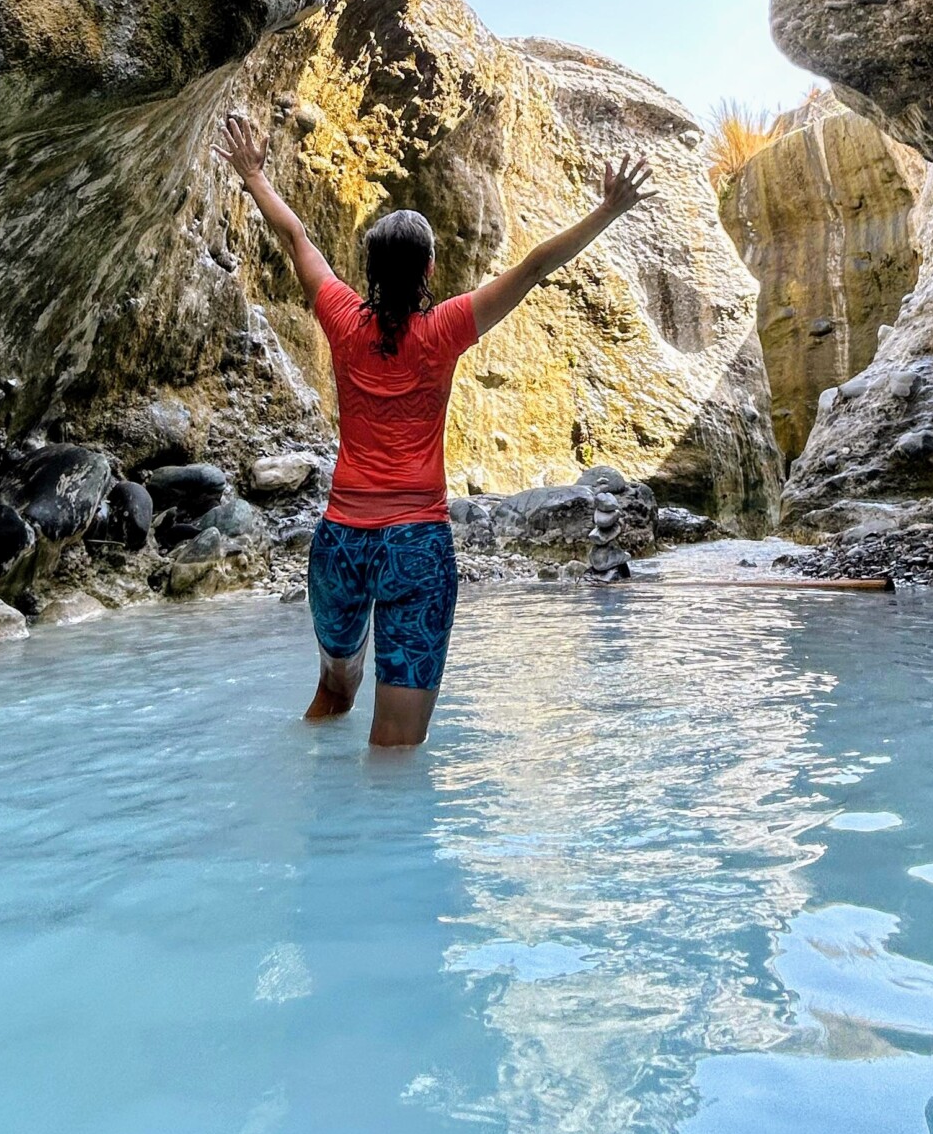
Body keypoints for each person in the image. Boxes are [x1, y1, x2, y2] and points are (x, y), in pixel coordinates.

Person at [216, 111, 653, 749]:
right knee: (395, 746)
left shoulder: (340, 316)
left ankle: (320, 823)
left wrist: (253, 173)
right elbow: (532, 269)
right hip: (416, 547)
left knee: (334, 693)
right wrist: (607, 212)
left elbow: (295, 237)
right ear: (426, 274)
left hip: (340, 542)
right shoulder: (443, 329)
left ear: (369, 271)